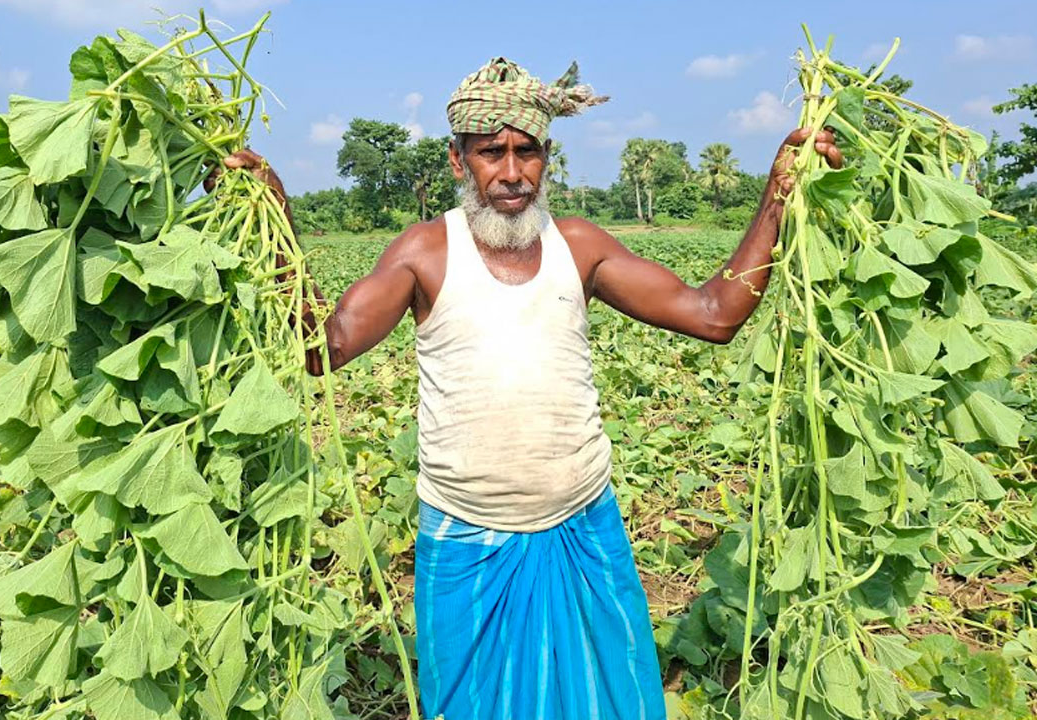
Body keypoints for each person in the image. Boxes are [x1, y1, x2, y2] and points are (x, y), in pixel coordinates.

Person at [217, 56, 842, 720]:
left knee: (611, 701)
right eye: (492, 153)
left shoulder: (579, 247)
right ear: (458, 161)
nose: (512, 173)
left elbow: (714, 315)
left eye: (528, 152)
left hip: (583, 526)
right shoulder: (425, 253)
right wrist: (275, 218)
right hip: (467, 538)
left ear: (548, 158)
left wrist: (777, 197)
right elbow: (325, 347)